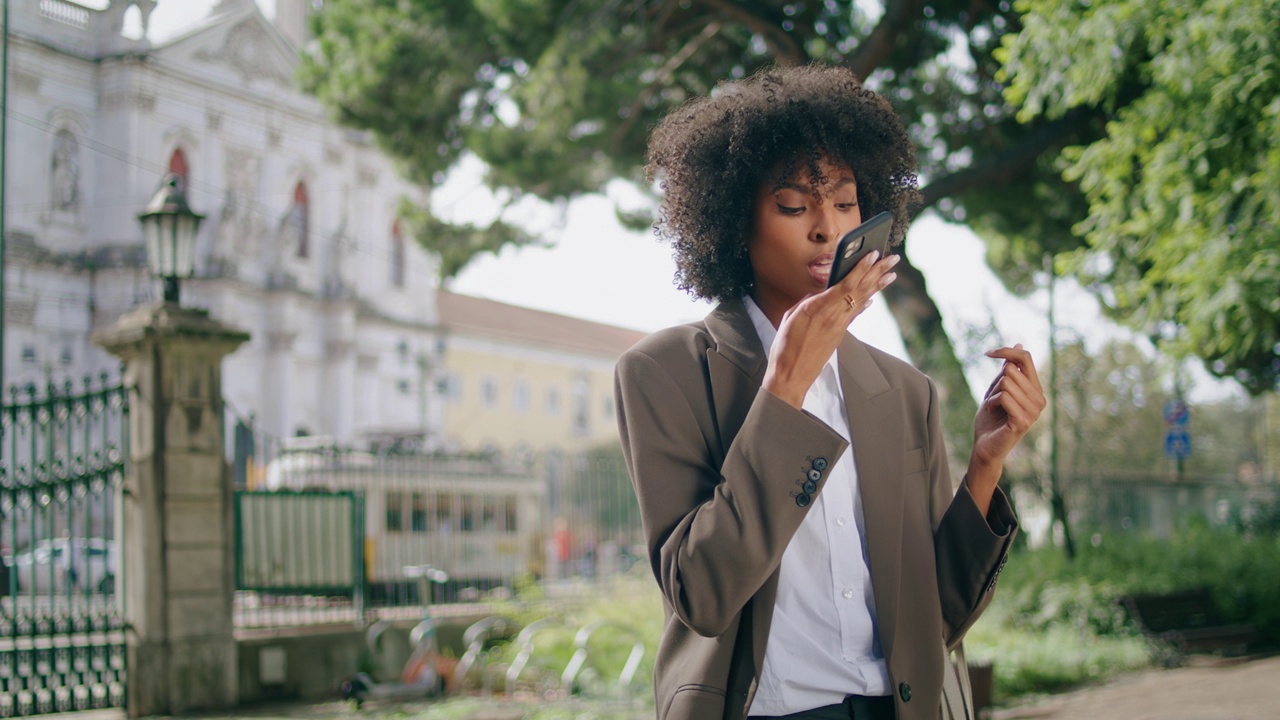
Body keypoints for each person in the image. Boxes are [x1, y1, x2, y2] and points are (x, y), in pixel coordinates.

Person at [614, 64, 1046, 720]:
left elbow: (938, 620)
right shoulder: (664, 372)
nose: (827, 228)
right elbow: (701, 593)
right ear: (734, 219)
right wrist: (785, 386)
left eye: (845, 202)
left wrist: (986, 465)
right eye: (794, 205)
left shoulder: (904, 391)